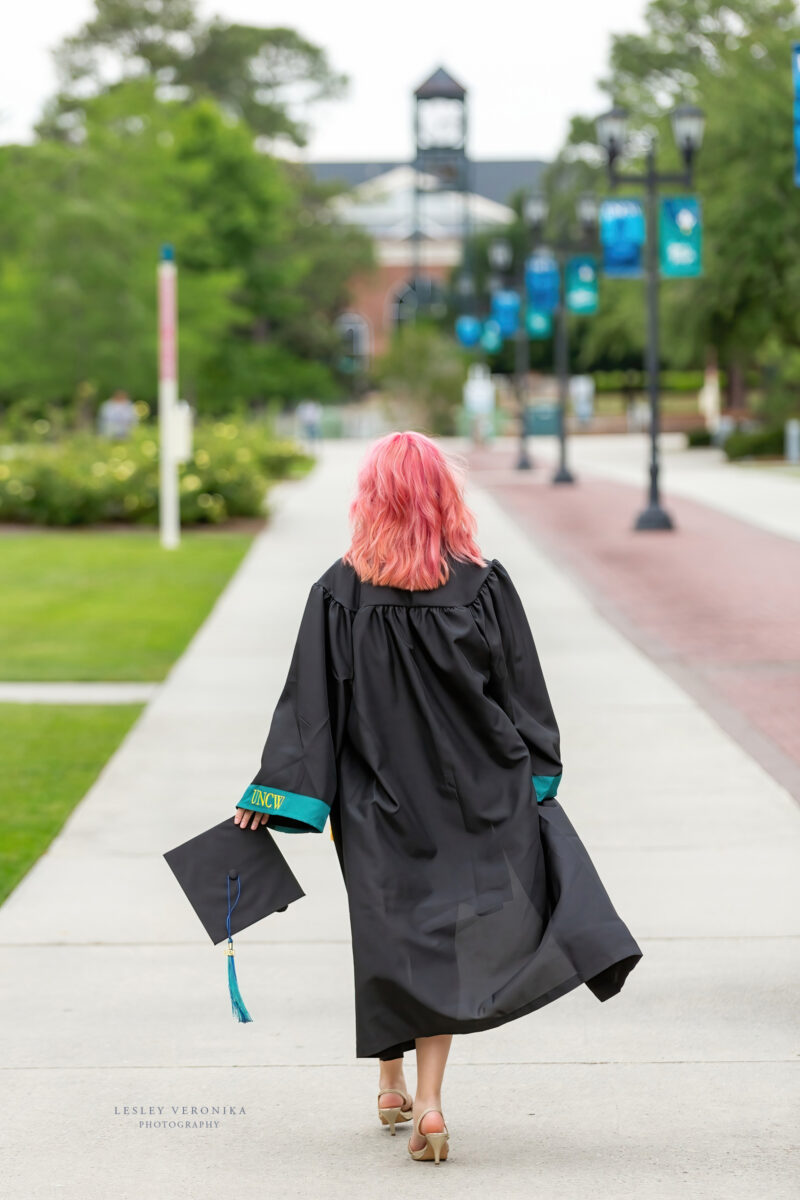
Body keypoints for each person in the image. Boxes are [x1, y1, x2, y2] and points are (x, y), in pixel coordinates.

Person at [233, 431, 642, 1164]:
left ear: (372, 498)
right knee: (443, 943)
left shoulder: (339, 590)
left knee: (390, 934)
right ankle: (424, 1102)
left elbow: (310, 706)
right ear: (441, 495)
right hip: (472, 796)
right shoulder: (482, 585)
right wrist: (535, 781)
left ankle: (391, 1085)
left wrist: (277, 788)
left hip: (375, 801)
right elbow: (523, 693)